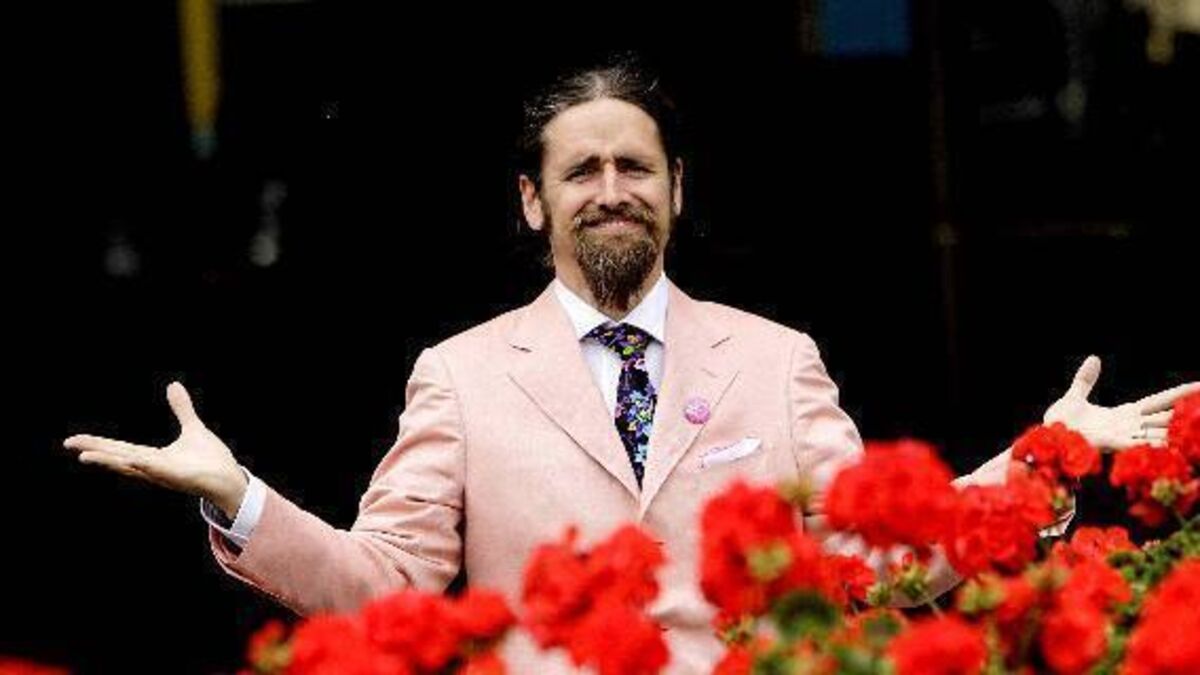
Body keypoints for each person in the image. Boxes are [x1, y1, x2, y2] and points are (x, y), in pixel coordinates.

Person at [63, 55, 1196, 673]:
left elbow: (877, 553)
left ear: (677, 189)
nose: (611, 190)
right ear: (533, 202)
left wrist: (1044, 456)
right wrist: (241, 497)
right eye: (581, 171)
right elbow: (385, 585)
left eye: (635, 167)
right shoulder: (458, 374)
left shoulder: (777, 359)